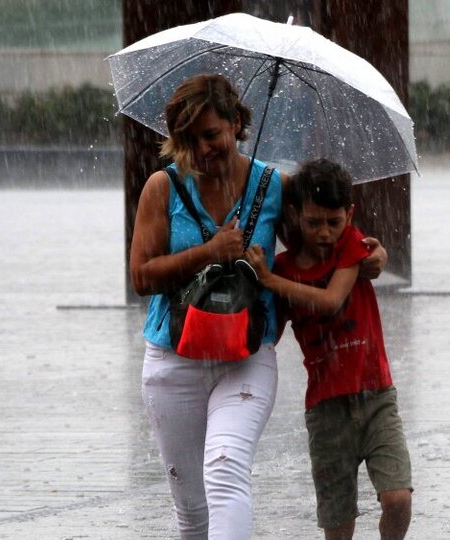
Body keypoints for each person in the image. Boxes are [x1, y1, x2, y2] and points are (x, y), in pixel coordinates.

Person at [128, 74, 387, 539]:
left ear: (237, 123)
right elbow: (142, 276)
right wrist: (208, 252)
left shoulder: (273, 186)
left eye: (212, 135)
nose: (205, 149)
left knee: (225, 467)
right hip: (173, 357)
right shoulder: (162, 188)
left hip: (247, 355)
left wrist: (368, 255)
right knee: (191, 509)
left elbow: (321, 246)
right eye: (191, 140)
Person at [244, 158, 413, 540]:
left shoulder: (352, 246)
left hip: (376, 397)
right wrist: (252, 284)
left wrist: (268, 279)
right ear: (295, 214)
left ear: (349, 215)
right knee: (337, 521)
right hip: (325, 410)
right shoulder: (284, 270)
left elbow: (331, 300)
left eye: (334, 222)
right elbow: (267, 334)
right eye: (313, 222)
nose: (324, 233)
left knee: (398, 498)